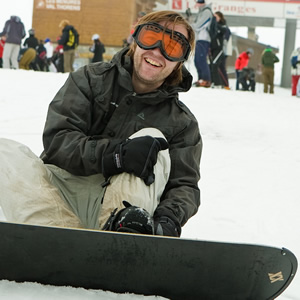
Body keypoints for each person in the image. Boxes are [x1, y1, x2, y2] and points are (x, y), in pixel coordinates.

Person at [0, 11, 202, 237]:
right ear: (135, 40)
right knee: (3, 153)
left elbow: (184, 186)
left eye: (172, 47)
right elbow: (58, 140)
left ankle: (115, 240)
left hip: (121, 208)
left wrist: (168, 220)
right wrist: (116, 155)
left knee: (153, 139)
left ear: (179, 63)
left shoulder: (182, 123)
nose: (157, 50)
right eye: (150, 37)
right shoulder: (90, 79)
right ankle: (60, 240)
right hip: (59, 191)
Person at [192, 0, 213, 87]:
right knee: (197, 60)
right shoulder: (201, 12)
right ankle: (201, 78)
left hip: (204, 39)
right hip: (199, 39)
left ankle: (206, 79)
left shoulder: (206, 12)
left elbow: (198, 26)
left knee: (201, 60)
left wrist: (191, 25)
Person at [209, 11, 227, 88]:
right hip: (213, 48)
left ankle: (218, 83)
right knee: (212, 65)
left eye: (215, 17)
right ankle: (214, 82)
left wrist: (215, 23)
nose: (214, 19)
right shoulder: (212, 25)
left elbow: (223, 30)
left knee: (214, 64)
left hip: (219, 49)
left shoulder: (222, 25)